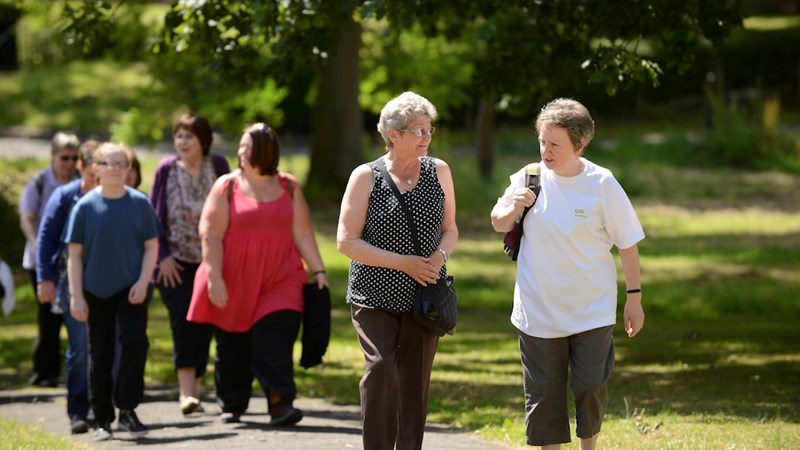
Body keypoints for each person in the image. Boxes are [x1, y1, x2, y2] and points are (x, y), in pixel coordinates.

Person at [490, 98, 645, 450]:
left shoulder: (601, 183)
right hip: (537, 309)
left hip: (591, 308)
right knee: (544, 394)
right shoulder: (528, 176)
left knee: (591, 385)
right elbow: (498, 222)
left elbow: (628, 243)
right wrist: (515, 204)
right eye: (542, 141)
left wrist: (634, 298)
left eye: (554, 144)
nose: (546, 150)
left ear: (580, 144)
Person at [336, 91, 458, 449]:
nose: (427, 137)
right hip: (373, 295)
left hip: (424, 298)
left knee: (414, 385)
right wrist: (403, 263)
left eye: (429, 129)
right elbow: (346, 241)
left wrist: (439, 257)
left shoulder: (439, 171)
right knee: (381, 371)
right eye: (418, 130)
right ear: (394, 134)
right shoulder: (366, 176)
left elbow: (451, 229)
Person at [188, 122, 327, 427]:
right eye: (240, 146)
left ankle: (280, 403)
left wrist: (317, 269)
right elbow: (210, 234)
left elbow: (302, 233)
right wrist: (215, 276)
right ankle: (232, 403)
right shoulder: (227, 186)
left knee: (274, 338)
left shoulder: (288, 186)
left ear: (265, 151)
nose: (239, 152)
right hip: (234, 277)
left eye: (246, 147)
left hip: (282, 278)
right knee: (232, 345)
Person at [65, 142, 161, 442]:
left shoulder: (139, 203)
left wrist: (143, 281)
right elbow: (75, 255)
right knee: (101, 353)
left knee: (135, 343)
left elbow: (151, 246)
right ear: (97, 169)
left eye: (123, 163)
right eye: (111, 163)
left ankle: (128, 408)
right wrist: (76, 295)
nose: (118, 168)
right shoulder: (84, 207)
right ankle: (103, 419)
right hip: (95, 289)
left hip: (130, 287)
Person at [149, 113, 230, 415]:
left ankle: (195, 388)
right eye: (178, 136)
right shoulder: (167, 168)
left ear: (203, 140)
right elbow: (153, 216)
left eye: (189, 136)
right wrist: (163, 256)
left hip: (210, 261)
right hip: (175, 263)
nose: (182, 142)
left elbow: (231, 209)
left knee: (205, 323)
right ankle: (186, 392)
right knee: (183, 322)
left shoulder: (218, 166)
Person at [35, 139, 100, 434]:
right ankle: (78, 409)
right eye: (93, 172)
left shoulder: (112, 197)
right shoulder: (64, 196)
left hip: (104, 285)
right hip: (68, 284)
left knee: (105, 346)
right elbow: (45, 237)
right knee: (81, 346)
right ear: (82, 168)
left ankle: (102, 407)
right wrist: (44, 278)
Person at [19, 131, 81, 387]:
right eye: (64, 157)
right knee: (48, 318)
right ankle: (45, 372)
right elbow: (28, 217)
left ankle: (72, 371)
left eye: (73, 158)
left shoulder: (81, 181)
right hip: (43, 261)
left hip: (71, 259)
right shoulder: (40, 183)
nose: (69, 163)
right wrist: (38, 247)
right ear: (53, 156)